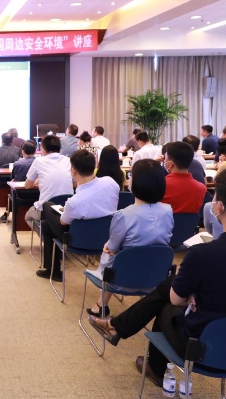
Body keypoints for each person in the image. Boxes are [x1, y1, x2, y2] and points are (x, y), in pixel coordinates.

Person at [88, 164, 226, 387]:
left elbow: (176, 300)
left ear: (219, 207)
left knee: (166, 304)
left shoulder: (202, 255)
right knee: (170, 284)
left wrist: (190, 293)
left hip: (205, 346)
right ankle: (116, 327)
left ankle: (149, 362)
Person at [87, 159, 173, 316]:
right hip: (156, 277)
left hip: (121, 280)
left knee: (112, 254)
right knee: (124, 254)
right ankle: (100, 305)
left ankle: (101, 305)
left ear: (136, 183)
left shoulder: (123, 215)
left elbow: (113, 248)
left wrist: (110, 246)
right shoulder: (168, 211)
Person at [36, 150, 120, 281]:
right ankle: (52, 270)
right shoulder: (111, 183)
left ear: (73, 171)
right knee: (46, 225)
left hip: (79, 241)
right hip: (107, 237)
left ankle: (54, 271)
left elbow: (63, 222)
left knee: (47, 207)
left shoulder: (74, 202)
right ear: (94, 165)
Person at [23, 135, 73, 225]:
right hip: (66, 208)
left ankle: (43, 232)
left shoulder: (39, 161)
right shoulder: (68, 160)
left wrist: (38, 181)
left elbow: (27, 185)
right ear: (59, 148)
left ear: (43, 149)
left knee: (28, 217)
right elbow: (75, 183)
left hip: (45, 210)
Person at [0, 140, 38, 224]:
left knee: (12, 188)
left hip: (21, 193)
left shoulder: (18, 163)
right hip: (38, 192)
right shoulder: (40, 163)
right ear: (35, 151)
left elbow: (13, 178)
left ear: (22, 151)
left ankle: (6, 213)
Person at [161, 141, 208, 213]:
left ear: (170, 163)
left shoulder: (160, 186)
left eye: (165, 158)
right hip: (193, 220)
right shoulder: (202, 189)